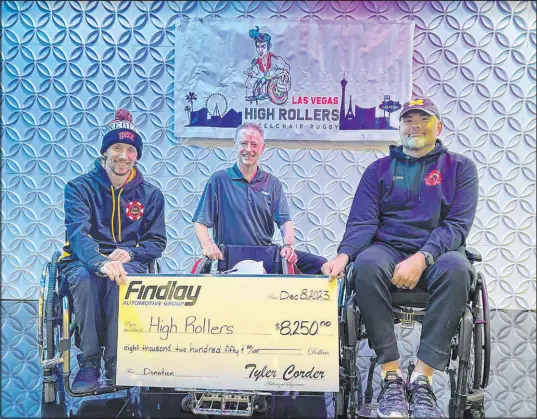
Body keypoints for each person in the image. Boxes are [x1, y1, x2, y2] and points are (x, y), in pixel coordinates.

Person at [322, 98, 478, 418]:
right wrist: (343, 255)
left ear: (439, 126)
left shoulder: (460, 168)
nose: (415, 125)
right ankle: (391, 377)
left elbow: (456, 226)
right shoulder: (378, 170)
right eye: (408, 119)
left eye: (424, 118)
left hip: (438, 252)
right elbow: (363, 222)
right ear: (400, 127)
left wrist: (422, 257)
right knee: (364, 265)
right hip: (388, 249)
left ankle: (422, 379)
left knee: (460, 270)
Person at [58, 109, 167, 391]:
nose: (123, 155)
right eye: (117, 147)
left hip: (128, 259)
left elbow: (157, 242)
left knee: (123, 282)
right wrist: (100, 262)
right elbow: (78, 235)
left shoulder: (151, 194)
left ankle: (118, 361)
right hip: (84, 259)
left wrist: (131, 253)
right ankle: (90, 362)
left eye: (130, 149)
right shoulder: (79, 187)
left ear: (137, 155)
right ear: (105, 152)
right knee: (85, 279)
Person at [193, 122, 326, 275]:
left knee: (320, 264)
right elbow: (200, 223)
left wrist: (288, 246)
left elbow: (284, 221)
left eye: (254, 144)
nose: (248, 149)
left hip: (265, 257)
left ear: (262, 148)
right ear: (235, 145)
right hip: (230, 258)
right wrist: (207, 245)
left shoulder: (272, 183)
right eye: (243, 143)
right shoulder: (219, 180)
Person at [245, 26, 291, 103]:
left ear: (269, 47)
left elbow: (286, 68)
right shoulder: (256, 64)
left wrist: (285, 76)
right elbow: (251, 83)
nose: (260, 50)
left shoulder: (275, 60)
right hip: (261, 100)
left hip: (277, 96)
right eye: (258, 47)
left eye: (263, 47)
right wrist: (252, 74)